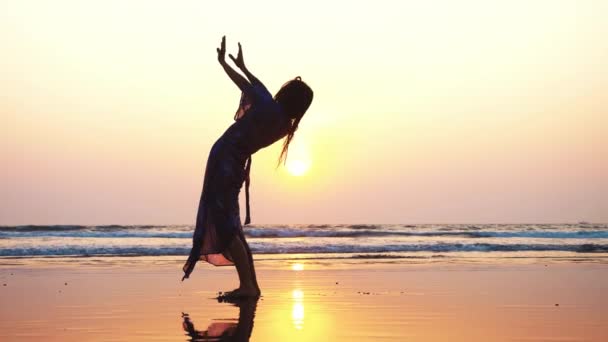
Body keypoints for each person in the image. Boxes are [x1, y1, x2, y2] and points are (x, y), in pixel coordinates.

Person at [182, 36, 314, 298]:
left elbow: (249, 85)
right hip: (234, 165)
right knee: (230, 222)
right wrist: (242, 66)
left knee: (226, 224)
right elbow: (255, 86)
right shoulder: (284, 124)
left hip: (224, 162)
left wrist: (226, 64)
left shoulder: (268, 108)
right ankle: (250, 285)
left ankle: (249, 287)